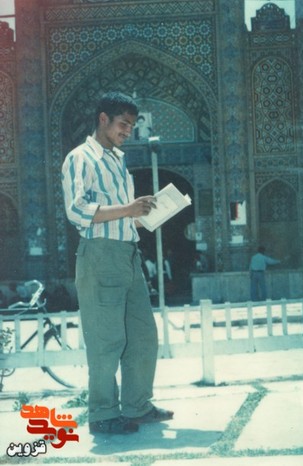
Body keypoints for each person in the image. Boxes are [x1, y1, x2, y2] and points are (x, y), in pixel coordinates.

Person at [61, 91, 173, 435]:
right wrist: (128, 209)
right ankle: (103, 414)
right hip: (100, 256)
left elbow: (119, 216)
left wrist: (144, 215)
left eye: (132, 126)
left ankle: (137, 405)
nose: (128, 131)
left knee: (142, 335)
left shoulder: (116, 160)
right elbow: (77, 211)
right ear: (103, 119)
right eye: (123, 124)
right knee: (106, 339)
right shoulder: (81, 158)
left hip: (128, 253)